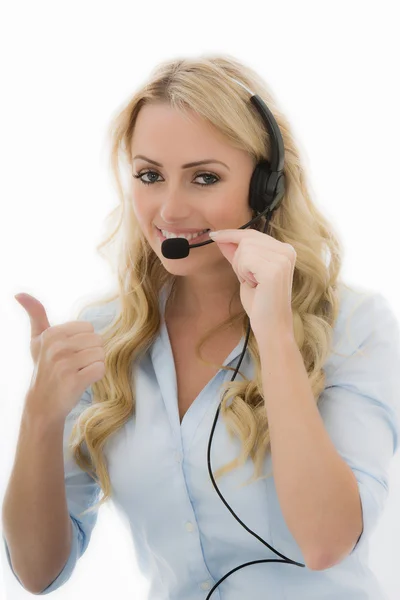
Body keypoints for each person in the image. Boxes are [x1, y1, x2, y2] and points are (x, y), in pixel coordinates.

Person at [3, 54, 400, 599]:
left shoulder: (353, 325)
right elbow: (37, 572)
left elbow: (327, 542)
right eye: (149, 176)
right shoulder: (103, 337)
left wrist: (277, 336)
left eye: (205, 178)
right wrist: (39, 417)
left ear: (266, 188)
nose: (169, 209)